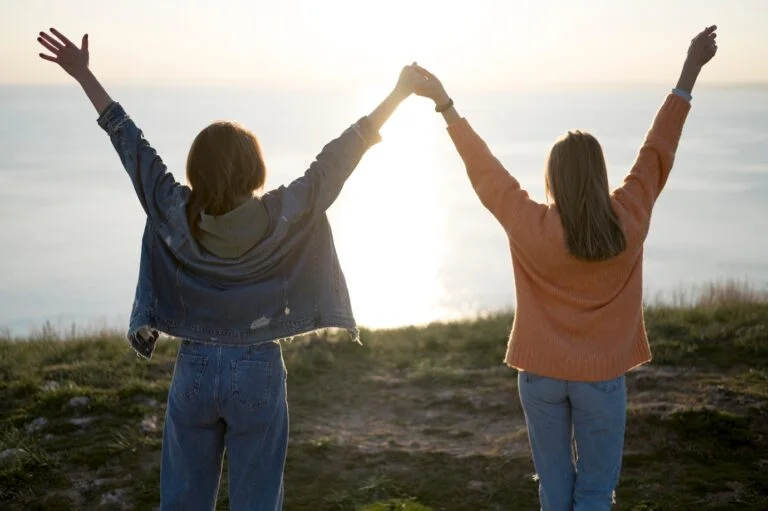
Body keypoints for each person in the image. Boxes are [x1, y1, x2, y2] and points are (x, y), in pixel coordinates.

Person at [37, 28, 424, 511]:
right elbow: (341, 157)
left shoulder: (173, 211)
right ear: (253, 169)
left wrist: (85, 75)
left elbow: (128, 141)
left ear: (198, 169)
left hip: (195, 367)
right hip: (257, 368)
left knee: (182, 501)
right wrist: (399, 94)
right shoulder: (284, 214)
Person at [409, 26, 718, 510]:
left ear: (552, 176)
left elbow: (485, 171)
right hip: (601, 378)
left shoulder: (530, 223)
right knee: (595, 493)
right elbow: (658, 149)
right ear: (600, 174)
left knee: (554, 492)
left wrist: (445, 104)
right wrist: (689, 72)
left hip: (540, 376)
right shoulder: (629, 217)